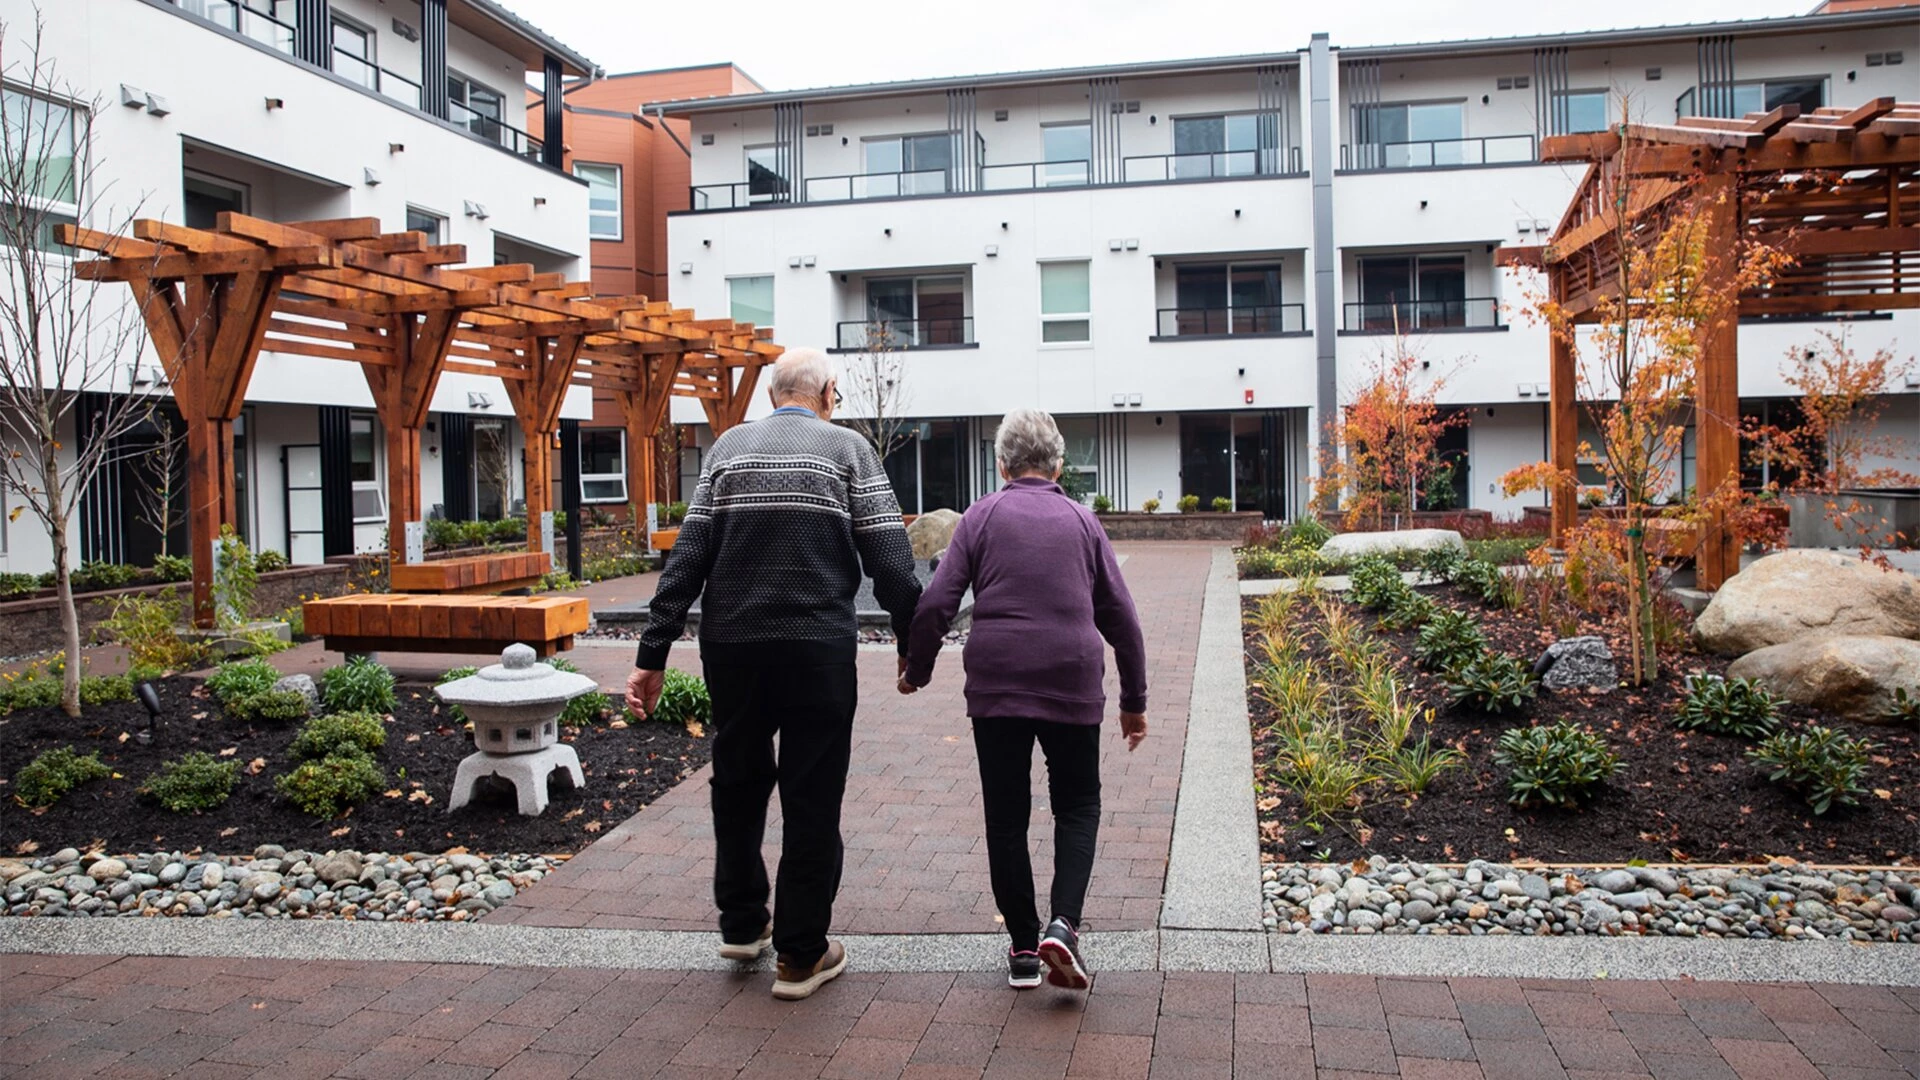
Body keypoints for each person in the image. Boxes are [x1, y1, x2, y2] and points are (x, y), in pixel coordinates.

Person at [626, 347, 921, 1001]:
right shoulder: (847, 452)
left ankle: (740, 923)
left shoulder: (728, 450)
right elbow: (893, 564)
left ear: (770, 396)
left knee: (736, 780)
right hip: (817, 651)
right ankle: (799, 954)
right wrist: (912, 640)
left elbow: (688, 558)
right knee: (812, 795)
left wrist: (652, 655)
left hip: (731, 650)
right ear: (829, 392)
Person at [897, 409, 1147, 992]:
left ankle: (1024, 948)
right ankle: (1063, 924)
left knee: (1006, 816)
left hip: (998, 680)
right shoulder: (1083, 522)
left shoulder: (981, 517)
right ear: (1058, 464)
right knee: (1078, 805)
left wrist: (919, 670)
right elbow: (1123, 619)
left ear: (1002, 464)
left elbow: (937, 603)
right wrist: (1133, 700)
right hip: (1071, 678)